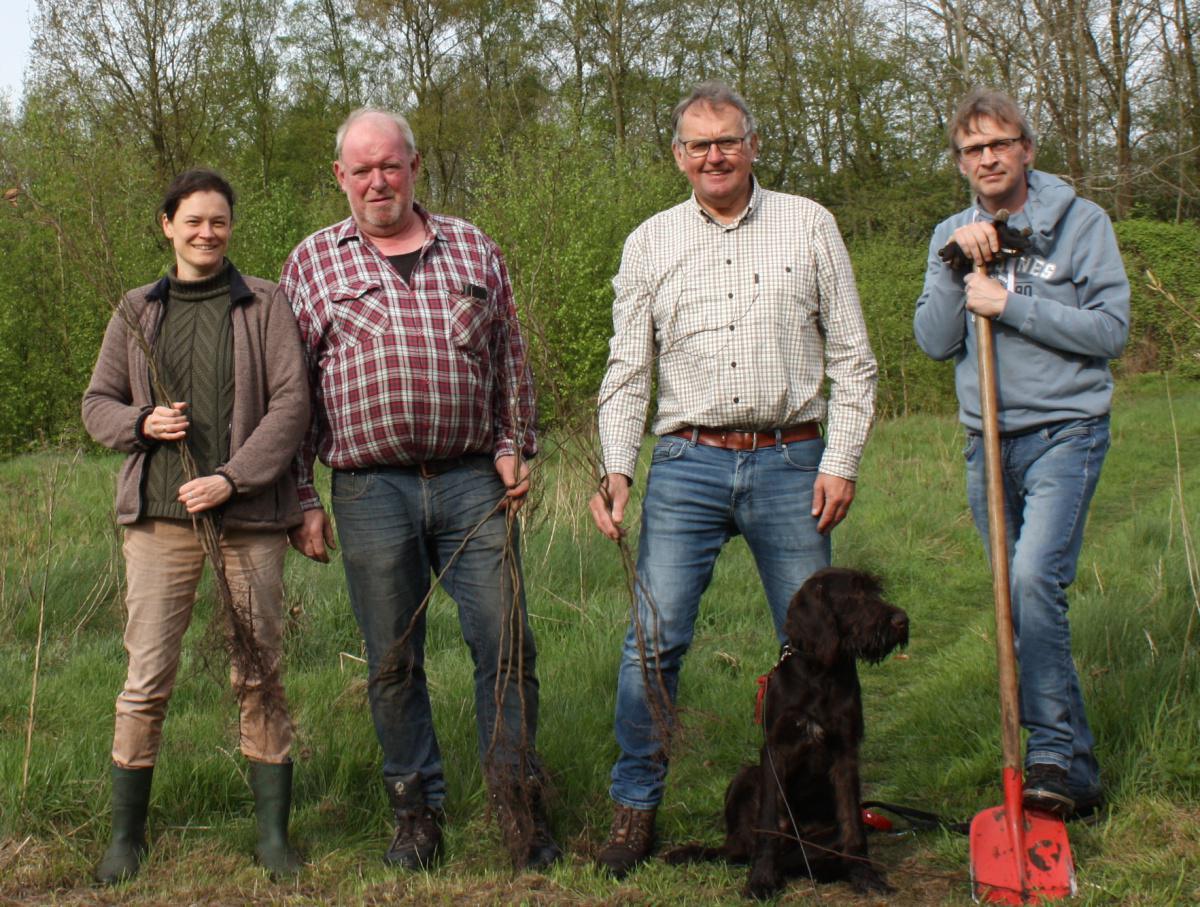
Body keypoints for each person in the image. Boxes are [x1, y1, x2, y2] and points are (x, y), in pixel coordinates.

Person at [588, 80, 878, 877]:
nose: (714, 154)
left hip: (793, 460)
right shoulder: (649, 241)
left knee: (819, 648)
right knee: (652, 643)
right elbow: (626, 370)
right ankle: (634, 807)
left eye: (727, 139)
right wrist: (618, 468)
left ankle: (829, 813)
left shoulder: (810, 223)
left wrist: (841, 459)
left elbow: (854, 357)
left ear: (753, 145)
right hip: (687, 462)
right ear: (678, 155)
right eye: (697, 143)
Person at [281, 108, 559, 871]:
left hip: (474, 482)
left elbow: (513, 358)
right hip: (370, 491)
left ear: (415, 166)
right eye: (361, 169)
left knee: (504, 644)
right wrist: (302, 496)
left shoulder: (472, 246)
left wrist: (513, 445)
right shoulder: (310, 264)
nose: (378, 181)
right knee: (392, 658)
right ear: (340, 177)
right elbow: (291, 392)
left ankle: (517, 805)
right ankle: (416, 811)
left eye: (390, 165)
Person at [82, 169, 310, 883]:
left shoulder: (266, 303)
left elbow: (291, 407)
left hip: (247, 520)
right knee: (147, 676)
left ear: (230, 228)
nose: (207, 232)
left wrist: (232, 477)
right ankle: (127, 838)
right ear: (167, 226)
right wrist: (140, 422)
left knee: (259, 672)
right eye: (193, 220)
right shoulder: (135, 310)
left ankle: (272, 837)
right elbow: (96, 404)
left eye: (219, 221)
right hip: (159, 521)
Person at [914, 89, 1129, 821]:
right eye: (974, 149)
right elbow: (933, 341)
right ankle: (1080, 767)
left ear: (1027, 149)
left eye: (1001, 143)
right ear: (961, 162)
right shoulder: (952, 232)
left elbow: (1110, 331)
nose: (989, 158)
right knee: (1017, 601)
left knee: (1035, 581)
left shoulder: (1080, 224)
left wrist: (1012, 307)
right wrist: (956, 273)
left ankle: (1047, 755)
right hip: (987, 441)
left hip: (1066, 431)